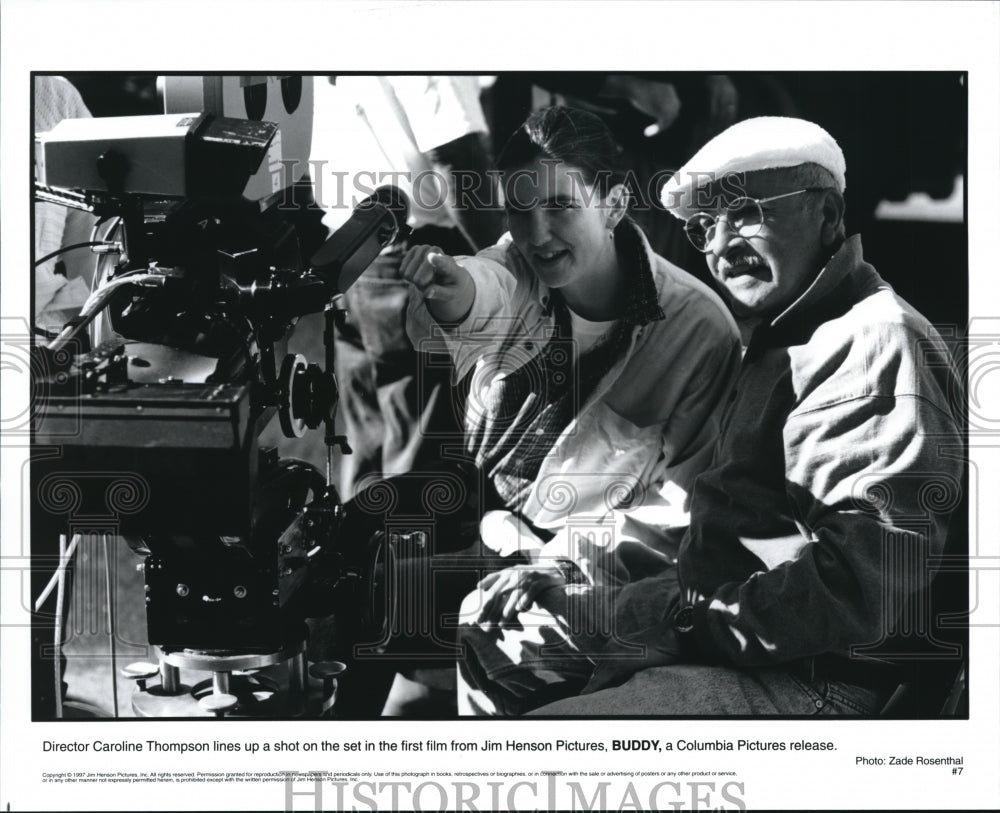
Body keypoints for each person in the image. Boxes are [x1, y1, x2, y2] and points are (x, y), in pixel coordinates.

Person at [483, 116, 965, 717]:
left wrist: (675, 630)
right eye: (704, 226)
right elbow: (720, 536)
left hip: (819, 678)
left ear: (828, 216)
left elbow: (853, 592)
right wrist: (584, 579)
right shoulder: (785, 334)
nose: (719, 245)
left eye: (744, 213)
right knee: (498, 631)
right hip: (731, 628)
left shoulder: (871, 341)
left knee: (544, 749)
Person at [379, 106, 740, 715]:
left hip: (608, 578)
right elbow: (482, 288)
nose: (537, 233)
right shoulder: (516, 270)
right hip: (490, 535)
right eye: (519, 211)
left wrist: (561, 567)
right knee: (389, 676)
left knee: (496, 669)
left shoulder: (699, 330)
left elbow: (682, 512)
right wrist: (450, 289)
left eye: (561, 207)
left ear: (615, 204)